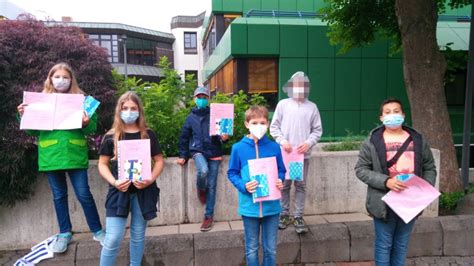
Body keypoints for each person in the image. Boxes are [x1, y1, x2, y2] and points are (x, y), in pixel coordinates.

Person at [17, 62, 104, 253]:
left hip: (74, 153)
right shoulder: (39, 101)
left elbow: (92, 128)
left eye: (65, 77)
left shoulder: (82, 100)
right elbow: (32, 130)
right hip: (51, 155)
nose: (61, 80)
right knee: (59, 196)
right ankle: (64, 233)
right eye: (57, 77)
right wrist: (24, 114)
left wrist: (87, 122)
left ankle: (97, 230)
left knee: (84, 194)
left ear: (71, 79)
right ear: (50, 79)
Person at [354, 98, 437, 266]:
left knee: (401, 243)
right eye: (387, 112)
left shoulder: (417, 139)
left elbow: (429, 166)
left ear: (403, 114)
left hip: (410, 202)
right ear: (381, 117)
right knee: (384, 245)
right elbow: (361, 169)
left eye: (396, 111)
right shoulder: (372, 141)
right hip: (383, 201)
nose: (392, 115)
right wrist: (386, 182)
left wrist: (424, 191)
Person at [98, 91, 164, 266]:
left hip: (143, 191)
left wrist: (150, 179)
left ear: (139, 111)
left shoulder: (148, 134)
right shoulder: (111, 136)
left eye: (133, 108)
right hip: (119, 191)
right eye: (125, 108)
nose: (129, 111)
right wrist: (114, 182)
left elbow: (159, 161)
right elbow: (102, 164)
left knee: (138, 234)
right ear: (119, 110)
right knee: (112, 238)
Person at [228, 105, 285, 266]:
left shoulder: (274, 147)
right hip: (249, 207)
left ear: (267, 124)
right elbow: (232, 173)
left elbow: (282, 170)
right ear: (247, 124)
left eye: (262, 122)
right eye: (254, 122)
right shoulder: (238, 148)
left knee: (271, 249)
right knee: (251, 249)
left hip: (271, 208)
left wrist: (280, 180)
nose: (258, 126)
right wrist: (244, 185)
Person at [270, 71, 322, 234]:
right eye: (296, 85)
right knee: (284, 185)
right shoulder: (283, 105)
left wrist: (308, 143)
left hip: (301, 156)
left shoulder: (312, 107)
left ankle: (298, 216)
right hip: (285, 155)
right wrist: (282, 141)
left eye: (303, 85)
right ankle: (284, 214)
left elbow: (317, 130)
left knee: (300, 185)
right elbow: (274, 127)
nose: (299, 88)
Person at [176, 87, 228, 232]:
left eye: (204, 97)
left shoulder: (216, 115)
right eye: (199, 97)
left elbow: (221, 135)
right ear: (194, 99)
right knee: (203, 171)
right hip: (197, 151)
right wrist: (182, 155)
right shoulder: (190, 118)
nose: (202, 99)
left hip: (215, 152)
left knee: (212, 186)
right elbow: (184, 138)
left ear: (208, 99)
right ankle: (200, 188)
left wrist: (224, 137)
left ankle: (208, 216)